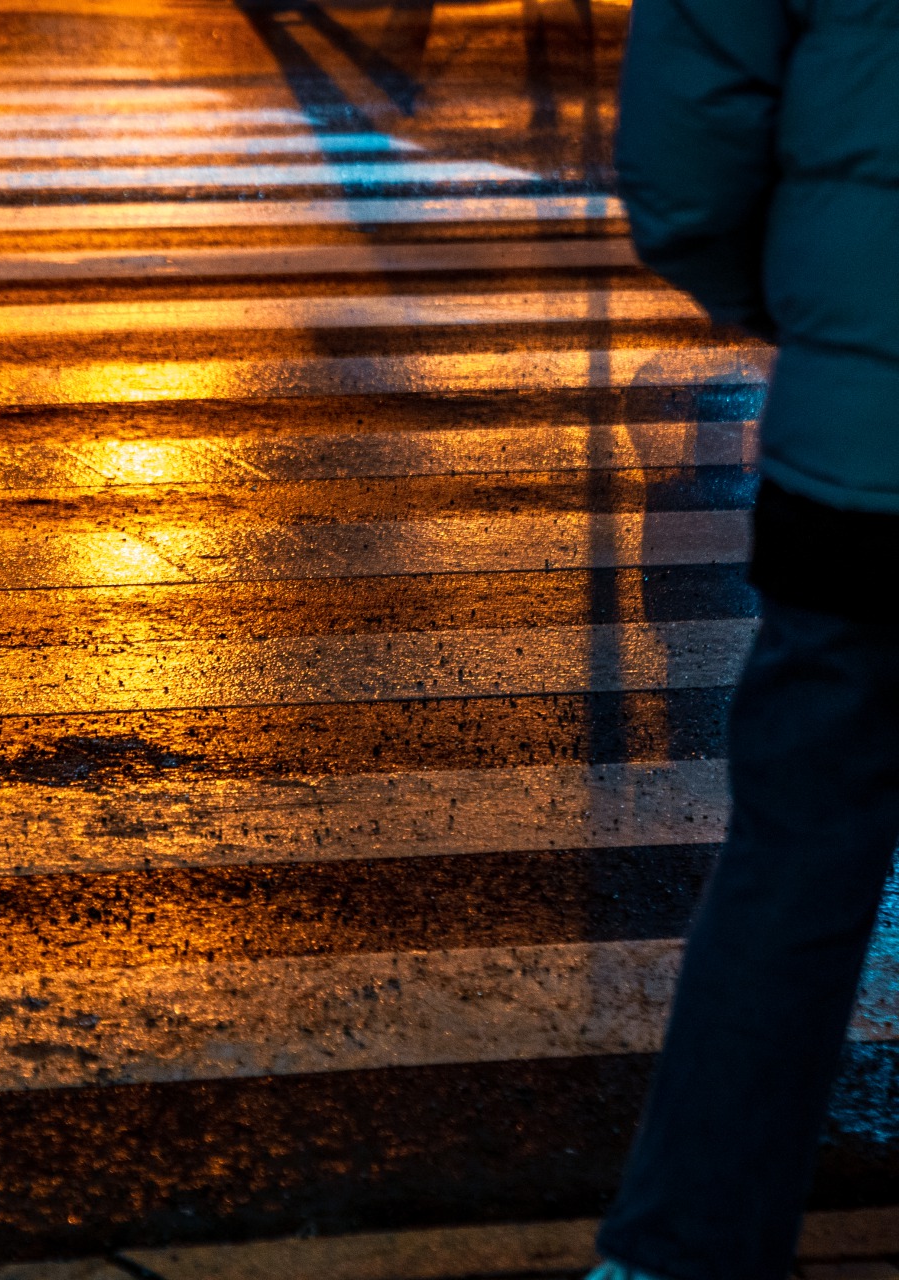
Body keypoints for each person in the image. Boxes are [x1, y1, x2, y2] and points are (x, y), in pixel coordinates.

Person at [590, 1, 899, 1279]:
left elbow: (687, 141)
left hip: (870, 461)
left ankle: (685, 1252)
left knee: (794, 866)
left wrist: (811, 309)